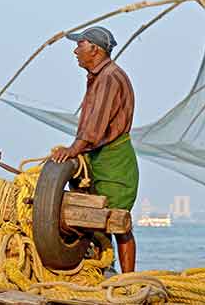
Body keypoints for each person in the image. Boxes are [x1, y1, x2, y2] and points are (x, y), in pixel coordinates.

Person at [50, 26, 139, 273]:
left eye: (80, 44)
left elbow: (95, 127)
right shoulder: (99, 76)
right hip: (97, 157)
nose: (75, 50)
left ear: (95, 49)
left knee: (118, 221)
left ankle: (127, 280)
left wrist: (73, 149)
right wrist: (79, 151)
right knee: (95, 220)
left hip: (114, 160)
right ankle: (102, 271)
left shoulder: (109, 78)